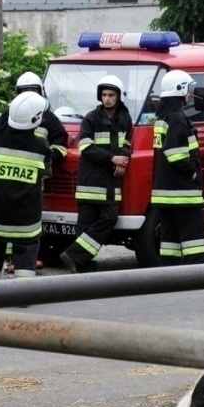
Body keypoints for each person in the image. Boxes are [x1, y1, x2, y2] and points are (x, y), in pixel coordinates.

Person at [0, 71, 69, 274]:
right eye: (25, 91)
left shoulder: (49, 118)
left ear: (41, 93)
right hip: (9, 176)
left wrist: (48, 159)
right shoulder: (8, 115)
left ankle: (27, 258)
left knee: (29, 217)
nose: (29, 96)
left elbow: (61, 142)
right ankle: (10, 259)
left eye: (33, 91)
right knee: (9, 215)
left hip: (34, 177)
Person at [0, 92, 51, 281]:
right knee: (25, 263)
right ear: (35, 119)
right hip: (25, 222)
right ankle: (22, 297)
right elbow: (46, 174)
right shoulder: (41, 148)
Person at [59, 75, 132, 273]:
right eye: (104, 95)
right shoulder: (91, 118)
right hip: (90, 182)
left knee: (109, 218)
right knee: (85, 224)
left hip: (111, 183)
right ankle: (85, 264)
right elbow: (85, 148)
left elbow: (127, 142)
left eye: (111, 95)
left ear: (119, 96)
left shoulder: (125, 118)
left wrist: (123, 159)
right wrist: (112, 159)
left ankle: (74, 255)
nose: (107, 98)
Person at [151, 69, 204, 265]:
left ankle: (169, 274)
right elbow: (176, 153)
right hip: (183, 192)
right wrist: (191, 171)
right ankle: (198, 273)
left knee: (170, 239)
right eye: (188, 89)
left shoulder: (163, 117)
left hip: (165, 192)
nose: (190, 94)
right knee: (194, 238)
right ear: (181, 90)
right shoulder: (177, 118)